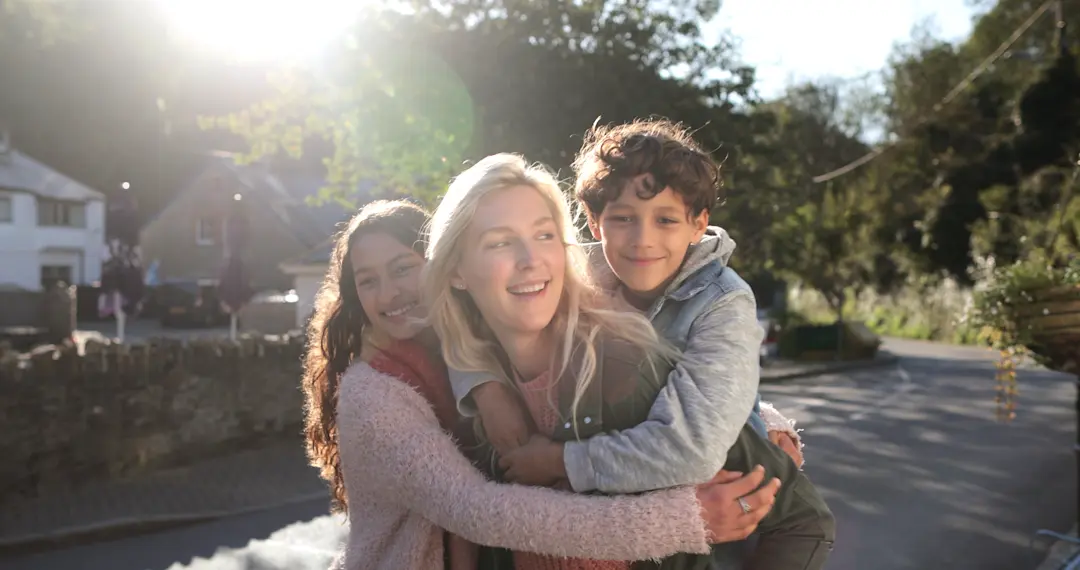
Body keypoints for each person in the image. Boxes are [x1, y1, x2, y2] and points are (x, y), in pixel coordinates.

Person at [301, 199, 782, 570]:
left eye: (403, 268)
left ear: (447, 265)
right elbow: (477, 510)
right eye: (367, 281)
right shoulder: (373, 394)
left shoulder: (476, 340)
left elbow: (667, 374)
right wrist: (684, 520)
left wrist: (758, 422)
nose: (389, 293)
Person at [425, 153, 834, 570]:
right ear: (594, 226)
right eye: (499, 242)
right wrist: (483, 385)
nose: (643, 241)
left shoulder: (654, 352)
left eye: (545, 235)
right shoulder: (465, 389)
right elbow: (448, 323)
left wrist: (560, 460)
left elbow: (799, 517)